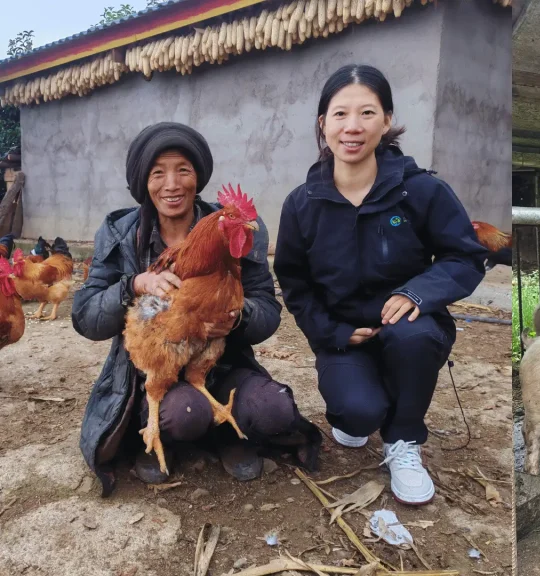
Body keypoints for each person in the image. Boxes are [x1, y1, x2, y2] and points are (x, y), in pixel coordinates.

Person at [273, 64, 486, 506]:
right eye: (340, 114)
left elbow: (464, 256)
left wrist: (417, 293)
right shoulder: (301, 204)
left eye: (367, 113)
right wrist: (332, 332)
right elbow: (294, 281)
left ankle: (403, 439)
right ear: (323, 124)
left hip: (408, 328)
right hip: (344, 336)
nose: (352, 127)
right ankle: (363, 405)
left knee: (414, 338)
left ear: (386, 120)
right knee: (356, 414)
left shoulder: (421, 191)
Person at [74, 122, 322, 496]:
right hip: (154, 368)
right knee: (184, 413)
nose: (172, 184)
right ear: (144, 181)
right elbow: (86, 316)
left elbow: (268, 310)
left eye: (183, 170)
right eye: (158, 173)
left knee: (274, 409)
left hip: (223, 363)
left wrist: (237, 318)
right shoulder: (121, 233)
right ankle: (153, 432)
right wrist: (134, 285)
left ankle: (227, 435)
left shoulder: (228, 228)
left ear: (198, 176)